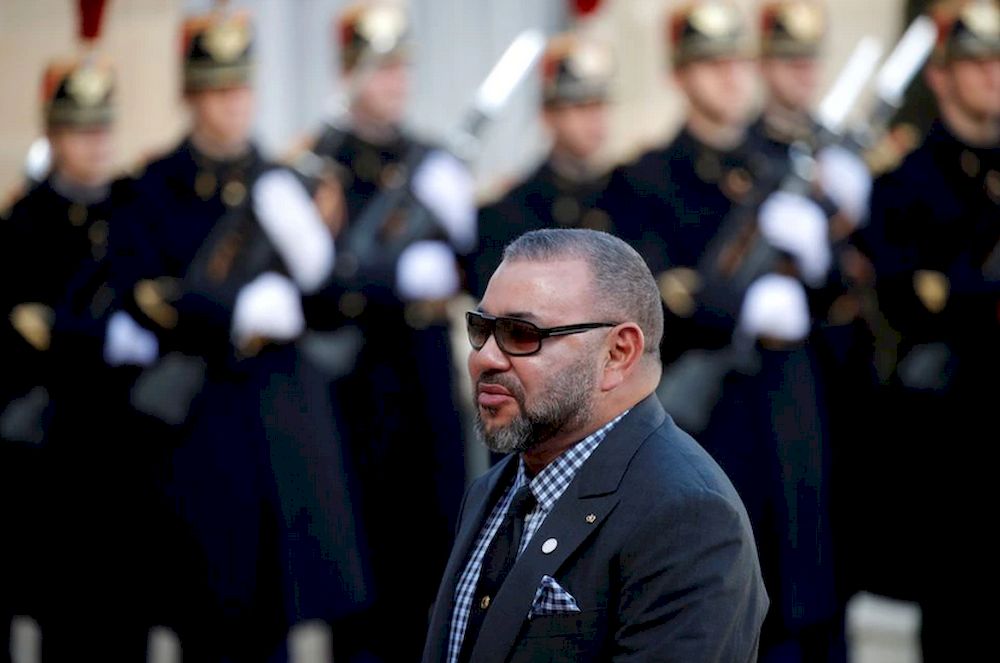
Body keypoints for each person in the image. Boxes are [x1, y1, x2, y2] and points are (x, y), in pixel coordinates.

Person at [109, 7, 370, 660]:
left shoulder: (280, 180)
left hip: (280, 417)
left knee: (277, 617)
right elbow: (143, 297)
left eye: (243, 87)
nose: (235, 104)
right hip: (204, 423)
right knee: (209, 615)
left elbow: (335, 302)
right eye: (219, 90)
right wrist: (230, 311)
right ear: (192, 95)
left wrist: (320, 257)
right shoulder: (156, 188)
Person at [423, 228, 768, 663]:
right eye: (482, 328)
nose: (486, 358)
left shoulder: (688, 514)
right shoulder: (495, 487)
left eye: (521, 333)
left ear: (618, 352)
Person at [299, 3, 477, 659]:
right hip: (358, 383)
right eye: (379, 68)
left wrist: (463, 233)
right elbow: (317, 286)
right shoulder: (322, 162)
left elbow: (478, 267)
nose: (395, 82)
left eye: (401, 67)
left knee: (433, 563)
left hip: (424, 373)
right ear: (348, 73)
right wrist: (389, 277)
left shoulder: (429, 158)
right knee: (363, 578)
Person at [0, 51, 162, 660]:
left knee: (131, 622)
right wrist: (94, 339)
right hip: (58, 457)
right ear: (52, 131)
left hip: (132, 449)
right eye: (78, 129)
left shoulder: (134, 207)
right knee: (65, 623)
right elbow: (22, 332)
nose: (95, 144)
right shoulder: (25, 222)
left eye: (103, 128)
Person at [858, 1, 999, 658]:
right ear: (940, 77)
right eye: (975, 63)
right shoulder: (909, 180)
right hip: (955, 436)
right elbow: (911, 302)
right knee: (957, 615)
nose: (994, 75)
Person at [606, 0, 760, 366]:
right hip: (695, 380)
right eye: (711, 63)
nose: (730, 76)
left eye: (739, 60)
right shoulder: (645, 179)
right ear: (678, 75)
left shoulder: (776, 163)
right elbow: (655, 298)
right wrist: (746, 307)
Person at [470, 32, 617, 298]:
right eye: (579, 106)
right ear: (548, 115)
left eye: (599, 105)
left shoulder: (631, 192)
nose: (594, 120)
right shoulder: (511, 209)